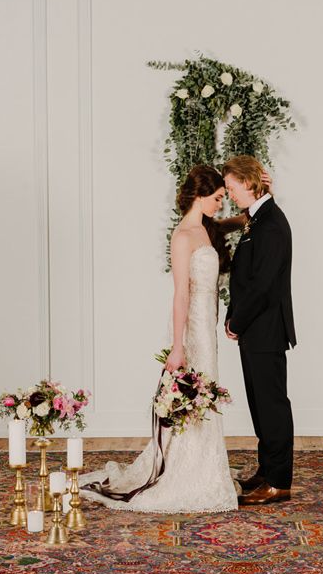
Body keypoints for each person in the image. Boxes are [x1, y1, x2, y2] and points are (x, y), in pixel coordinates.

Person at [79, 165, 240, 513]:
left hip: (207, 327)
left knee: (203, 396)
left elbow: (226, 227)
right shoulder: (183, 236)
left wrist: (248, 216)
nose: (220, 205)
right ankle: (186, 470)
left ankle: (204, 465)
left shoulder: (206, 229)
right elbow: (180, 294)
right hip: (191, 330)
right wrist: (179, 346)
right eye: (216, 198)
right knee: (192, 396)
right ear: (199, 196)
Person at [223, 155, 296, 506]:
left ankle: (279, 482)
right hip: (254, 328)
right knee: (259, 403)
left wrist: (237, 321)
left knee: (272, 405)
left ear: (250, 184)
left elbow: (263, 286)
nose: (230, 194)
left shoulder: (271, 224)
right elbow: (245, 277)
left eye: (232, 188)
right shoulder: (256, 220)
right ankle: (267, 470)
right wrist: (233, 315)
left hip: (265, 328)